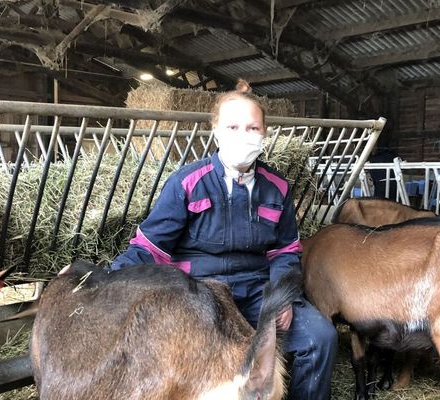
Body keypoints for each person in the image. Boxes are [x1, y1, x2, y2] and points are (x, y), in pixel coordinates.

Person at [111, 79, 338, 399]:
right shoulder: (188, 182)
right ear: (215, 130)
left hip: (259, 289)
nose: (243, 136)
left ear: (264, 134)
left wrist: (282, 296)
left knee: (320, 338)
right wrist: (103, 277)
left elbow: (285, 250)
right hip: (199, 292)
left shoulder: (277, 187)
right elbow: (150, 249)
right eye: (232, 127)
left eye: (252, 128)